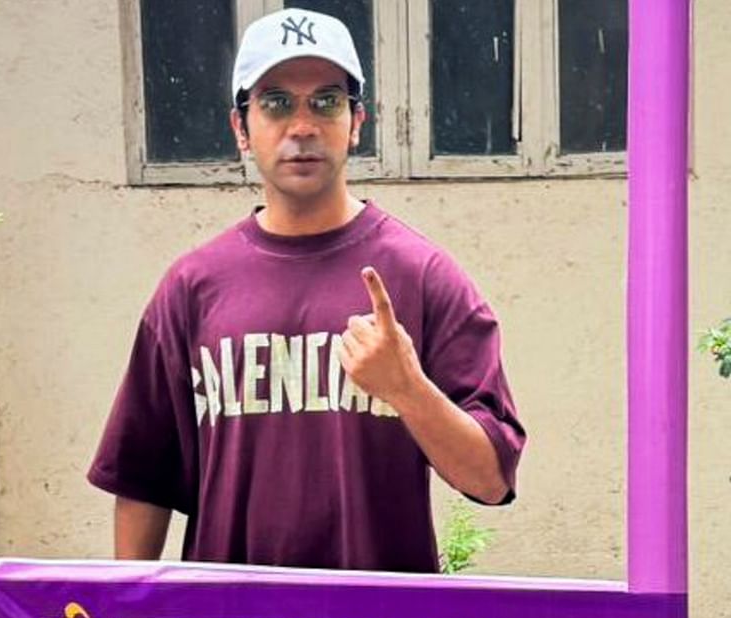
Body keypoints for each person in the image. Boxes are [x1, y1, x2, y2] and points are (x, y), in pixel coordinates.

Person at [87, 7, 526, 572]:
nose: (302, 126)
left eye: (325, 101)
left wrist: (408, 388)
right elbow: (144, 477)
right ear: (240, 128)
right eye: (275, 103)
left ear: (356, 122)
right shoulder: (192, 288)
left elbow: (491, 480)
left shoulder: (422, 276)